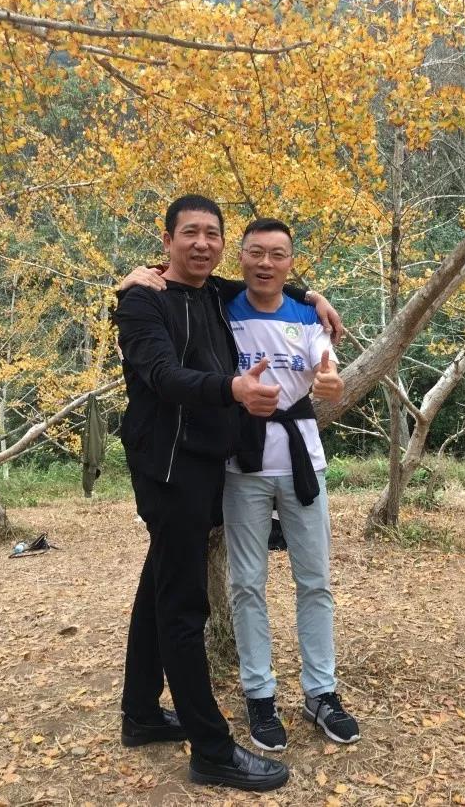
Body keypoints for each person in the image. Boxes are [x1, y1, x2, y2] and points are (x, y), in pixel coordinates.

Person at [114, 196, 341, 792]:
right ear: (167, 240)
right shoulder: (143, 301)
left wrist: (313, 297)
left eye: (211, 234)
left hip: (205, 462)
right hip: (170, 466)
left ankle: (140, 713)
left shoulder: (212, 292)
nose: (201, 244)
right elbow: (162, 375)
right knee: (184, 605)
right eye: (189, 233)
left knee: (158, 583)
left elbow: (266, 281)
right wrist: (233, 389)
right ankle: (211, 748)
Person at [223, 218, 360, 751]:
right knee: (246, 583)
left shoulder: (308, 316)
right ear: (240, 256)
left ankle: (321, 692)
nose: (266, 263)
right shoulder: (221, 308)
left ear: (290, 262)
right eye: (256, 252)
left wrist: (331, 383)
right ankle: (259, 695)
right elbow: (185, 280)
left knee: (315, 580)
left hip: (304, 462)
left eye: (277, 254)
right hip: (243, 465)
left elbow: (329, 375)